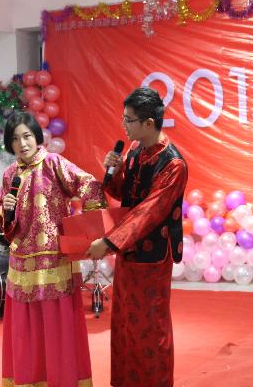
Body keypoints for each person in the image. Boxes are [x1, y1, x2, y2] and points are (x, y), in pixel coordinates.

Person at [85, 87, 188, 387]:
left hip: (151, 257)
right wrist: (114, 172)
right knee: (125, 323)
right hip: (128, 252)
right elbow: (125, 195)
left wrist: (108, 243)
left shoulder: (173, 164)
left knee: (150, 327)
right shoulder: (134, 151)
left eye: (128, 120)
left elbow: (148, 213)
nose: (124, 125)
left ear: (149, 123)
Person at [0, 110, 104, 387]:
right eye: (15, 139)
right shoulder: (9, 175)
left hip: (54, 260)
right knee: (26, 330)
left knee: (57, 327)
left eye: (27, 136)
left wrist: (89, 231)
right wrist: (4, 211)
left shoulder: (53, 163)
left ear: (37, 136)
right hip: (21, 262)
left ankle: (62, 379)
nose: (22, 143)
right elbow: (3, 220)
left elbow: (89, 185)